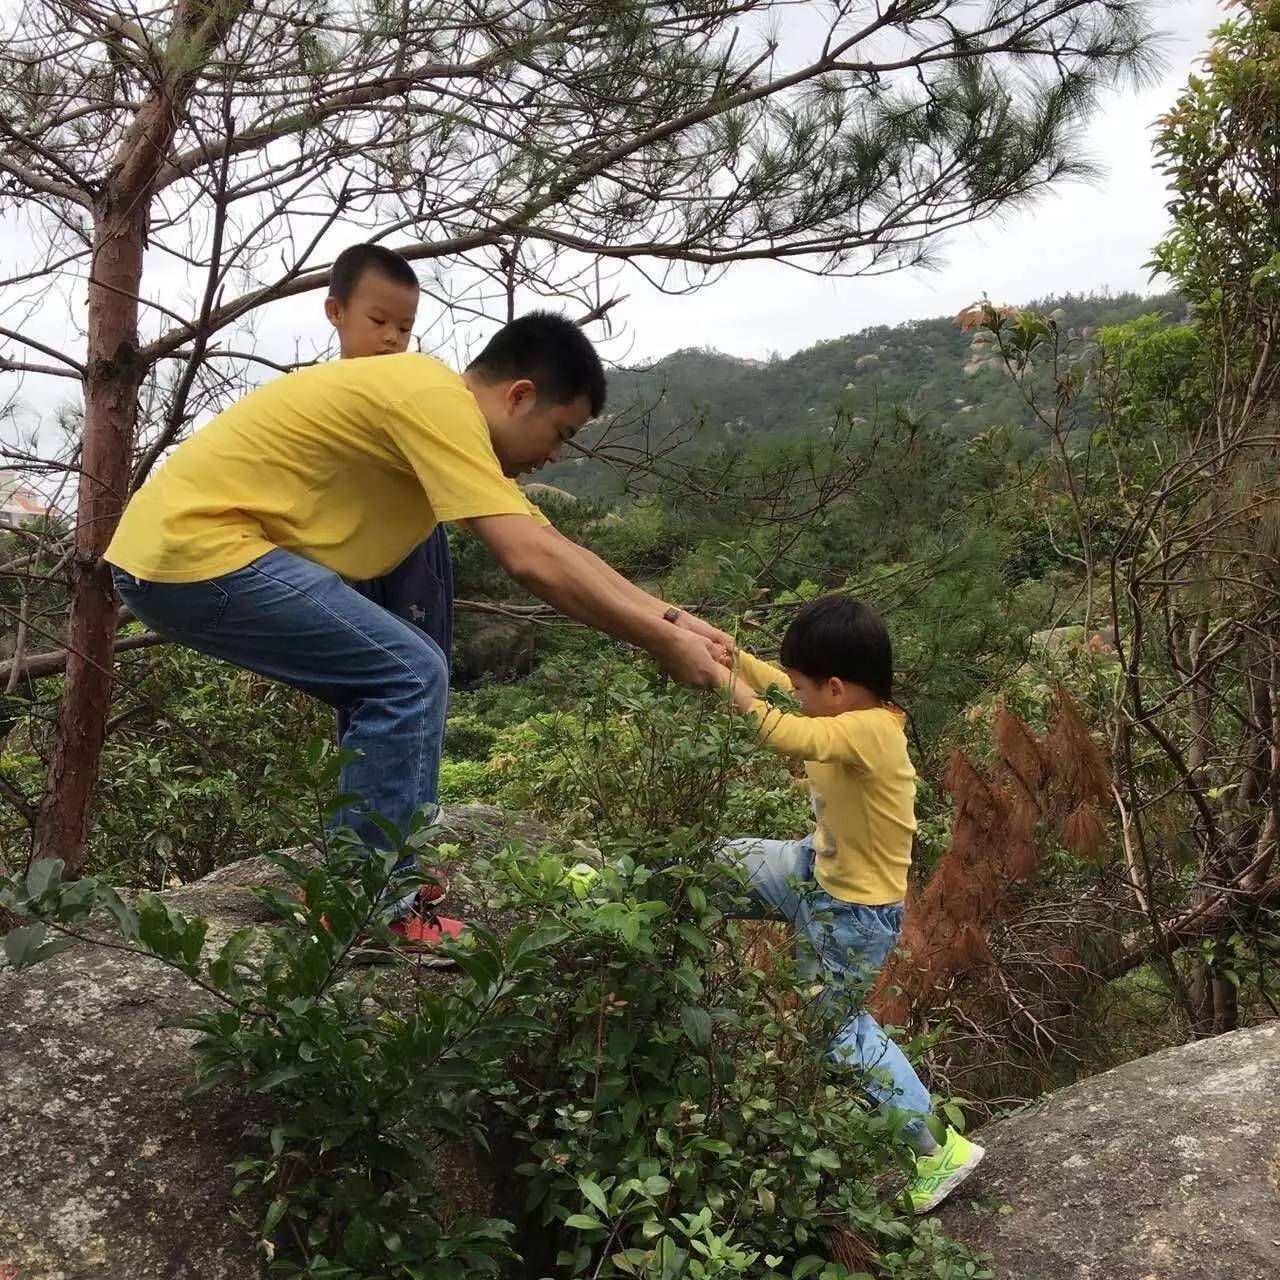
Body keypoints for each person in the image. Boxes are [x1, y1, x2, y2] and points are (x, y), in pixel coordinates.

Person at [105, 311, 730, 953]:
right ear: (519, 396)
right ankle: (374, 906)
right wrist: (660, 644)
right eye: (558, 432)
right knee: (407, 673)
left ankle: (367, 878)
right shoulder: (435, 399)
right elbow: (530, 560)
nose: (554, 455)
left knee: (388, 675)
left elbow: (551, 542)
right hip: (195, 553)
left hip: (183, 556)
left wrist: (677, 620)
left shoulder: (435, 411)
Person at [713, 595, 983, 1214]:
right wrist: (737, 658)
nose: (797, 694)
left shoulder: (870, 732)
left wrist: (718, 678)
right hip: (817, 869)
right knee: (717, 860)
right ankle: (620, 884)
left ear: (835, 689)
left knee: (833, 1030)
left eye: (808, 687)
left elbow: (781, 730)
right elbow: (785, 691)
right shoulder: (852, 709)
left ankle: (935, 1148)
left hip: (855, 918)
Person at [322, 243, 457, 943]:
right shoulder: (324, 398)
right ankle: (373, 887)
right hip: (353, 557)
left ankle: (400, 863)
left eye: (405, 328)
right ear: (336, 313)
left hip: (415, 553)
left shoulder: (409, 391)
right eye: (379, 321)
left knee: (425, 688)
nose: (392, 339)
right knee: (379, 697)